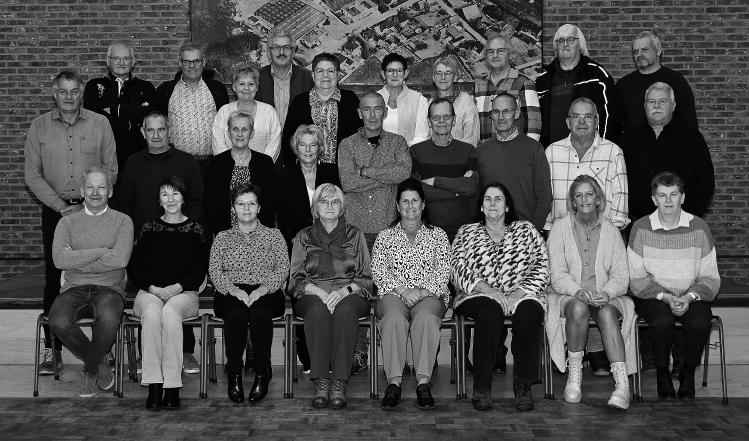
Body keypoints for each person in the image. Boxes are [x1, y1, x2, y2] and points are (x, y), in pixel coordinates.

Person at [24, 70, 117, 376]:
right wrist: (62, 208)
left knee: (100, 274)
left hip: (96, 211)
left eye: (74, 91)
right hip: (57, 211)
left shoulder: (100, 123)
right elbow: (32, 175)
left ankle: (104, 347)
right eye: (62, 91)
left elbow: (110, 168)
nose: (68, 96)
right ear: (54, 93)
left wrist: (92, 203)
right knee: (54, 278)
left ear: (81, 93)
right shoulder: (39, 127)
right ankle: (52, 350)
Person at [545, 97, 629, 373]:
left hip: (601, 236)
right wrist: (555, 231)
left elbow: (620, 200)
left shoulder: (612, 152)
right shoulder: (552, 152)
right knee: (573, 293)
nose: (582, 121)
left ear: (597, 121)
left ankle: (596, 351)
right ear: (567, 121)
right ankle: (570, 355)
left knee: (598, 289)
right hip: (563, 237)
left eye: (588, 116)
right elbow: (546, 196)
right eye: (576, 116)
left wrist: (605, 235)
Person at [452, 183, 549, 412]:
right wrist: (488, 289)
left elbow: (542, 264)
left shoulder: (526, 230)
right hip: (477, 294)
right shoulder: (466, 232)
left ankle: (524, 385)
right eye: (488, 199)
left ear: (507, 206)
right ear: (481, 206)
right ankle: (482, 387)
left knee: (529, 313)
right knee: (490, 311)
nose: (493, 203)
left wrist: (519, 292)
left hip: (522, 293)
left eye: (498, 199)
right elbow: (456, 267)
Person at [546, 175, 635, 410]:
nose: (584, 199)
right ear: (573, 201)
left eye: (589, 194)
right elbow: (556, 274)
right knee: (578, 308)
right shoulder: (559, 228)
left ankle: (622, 386)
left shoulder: (612, 231)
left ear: (598, 199)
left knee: (606, 313)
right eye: (579, 195)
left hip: (607, 296)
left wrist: (607, 293)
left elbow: (621, 275)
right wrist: (577, 291)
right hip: (568, 294)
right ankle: (574, 377)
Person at [628, 171, 720, 400]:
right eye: (662, 195)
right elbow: (636, 278)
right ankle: (662, 372)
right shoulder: (641, 228)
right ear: (654, 199)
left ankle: (687, 371)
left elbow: (710, 277)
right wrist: (666, 297)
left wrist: (689, 297)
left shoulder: (699, 228)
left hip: (691, 294)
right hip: (653, 295)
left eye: (673, 194)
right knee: (662, 321)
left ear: (683, 197)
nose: (668, 200)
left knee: (700, 322)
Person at [339, 92, 412, 373]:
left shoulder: (398, 142)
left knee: (393, 294)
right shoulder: (347, 145)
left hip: (389, 230)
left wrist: (365, 171)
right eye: (366, 109)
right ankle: (359, 353)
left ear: (385, 112)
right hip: (356, 231)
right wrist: (383, 174)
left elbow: (403, 173)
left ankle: (398, 354)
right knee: (357, 292)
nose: (372, 115)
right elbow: (347, 182)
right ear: (359, 113)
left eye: (377, 109)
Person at [48, 167, 133, 397]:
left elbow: (121, 260)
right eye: (90, 187)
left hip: (109, 288)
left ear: (110, 191)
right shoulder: (66, 223)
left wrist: (76, 258)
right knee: (57, 320)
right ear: (82, 191)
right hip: (73, 287)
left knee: (109, 318)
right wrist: (102, 251)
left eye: (101, 187)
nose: (95, 193)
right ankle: (98, 363)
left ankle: (90, 370)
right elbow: (59, 260)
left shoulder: (123, 222)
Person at [288, 184, 373, 409]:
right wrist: (320, 293)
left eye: (335, 202)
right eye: (324, 202)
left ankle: (339, 382)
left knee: (345, 310)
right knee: (317, 310)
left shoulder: (355, 235)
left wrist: (343, 292)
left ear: (342, 207)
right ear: (315, 207)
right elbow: (295, 278)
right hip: (312, 293)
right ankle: (322, 380)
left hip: (351, 293)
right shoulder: (303, 236)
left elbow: (366, 277)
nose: (329, 206)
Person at [131, 176, 210, 410]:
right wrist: (153, 288)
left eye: (175, 193)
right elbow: (136, 268)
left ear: (183, 197)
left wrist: (177, 288)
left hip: (185, 294)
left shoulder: (197, 229)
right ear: (159, 200)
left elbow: (199, 271)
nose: (171, 199)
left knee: (170, 312)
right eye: (165, 194)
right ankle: (155, 384)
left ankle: (172, 385)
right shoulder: (148, 228)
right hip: (149, 292)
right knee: (152, 313)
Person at [372, 179, 451, 410]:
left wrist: (422, 291)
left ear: (423, 204)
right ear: (397, 206)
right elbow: (378, 270)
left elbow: (443, 271)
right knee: (394, 318)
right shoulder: (385, 236)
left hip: (430, 295)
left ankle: (423, 382)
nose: (410, 206)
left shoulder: (438, 235)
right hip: (394, 294)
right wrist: (403, 291)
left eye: (414, 200)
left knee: (425, 317)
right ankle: (394, 383)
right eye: (404, 201)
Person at [208, 183, 288, 403]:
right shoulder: (222, 237)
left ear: (259, 208)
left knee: (260, 313)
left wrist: (263, 289)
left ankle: (262, 372)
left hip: (267, 290)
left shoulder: (274, 235)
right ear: (233, 208)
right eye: (241, 204)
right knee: (235, 314)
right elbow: (214, 270)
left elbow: (283, 267)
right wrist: (234, 290)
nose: (246, 209)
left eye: (251, 204)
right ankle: (234, 372)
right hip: (230, 290)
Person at [277, 123, 341, 372]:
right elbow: (282, 218)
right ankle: (309, 357)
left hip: (330, 247)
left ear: (320, 147)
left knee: (331, 297)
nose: (307, 149)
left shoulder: (331, 171)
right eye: (303, 144)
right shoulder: (285, 175)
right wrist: (300, 242)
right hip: (298, 247)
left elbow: (338, 208)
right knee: (305, 296)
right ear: (295, 147)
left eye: (313, 145)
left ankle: (332, 355)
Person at [621, 82, 714, 223]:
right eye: (651, 101)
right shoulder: (628, 139)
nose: (656, 106)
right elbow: (617, 182)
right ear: (644, 105)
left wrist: (690, 217)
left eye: (662, 101)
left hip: (682, 223)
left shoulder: (692, 138)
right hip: (637, 223)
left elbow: (706, 181)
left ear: (673, 105)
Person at [472, 93, 552, 232]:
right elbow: (475, 197)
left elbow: (544, 196)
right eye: (496, 112)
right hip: (490, 232)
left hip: (525, 231)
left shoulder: (534, 149)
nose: (500, 117)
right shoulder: (480, 152)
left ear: (517, 113)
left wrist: (532, 231)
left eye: (506, 111)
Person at [118, 111, 204, 236]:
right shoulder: (133, 163)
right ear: (143, 132)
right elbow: (125, 204)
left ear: (169, 131)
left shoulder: (187, 161)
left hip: (181, 236)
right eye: (150, 130)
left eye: (161, 130)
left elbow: (198, 202)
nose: (156, 136)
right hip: (143, 237)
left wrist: (186, 230)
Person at [536, 24, 621, 146]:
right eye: (561, 41)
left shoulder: (597, 76)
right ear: (556, 46)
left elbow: (611, 117)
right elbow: (535, 120)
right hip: (551, 153)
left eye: (570, 40)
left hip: (590, 152)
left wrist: (604, 148)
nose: (565, 44)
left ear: (580, 45)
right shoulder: (542, 80)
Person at [156, 42, 229, 176]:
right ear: (180, 63)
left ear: (204, 62)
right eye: (187, 61)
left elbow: (225, 124)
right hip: (177, 164)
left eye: (196, 61)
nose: (192, 66)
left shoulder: (217, 89)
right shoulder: (165, 90)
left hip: (211, 164)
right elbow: (159, 126)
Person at [411, 98, 479, 241]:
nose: (441, 121)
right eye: (436, 117)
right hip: (426, 232)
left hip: (463, 233)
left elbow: (470, 187)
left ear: (454, 120)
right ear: (429, 121)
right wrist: (457, 191)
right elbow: (417, 191)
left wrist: (436, 181)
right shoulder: (416, 152)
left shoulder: (468, 151)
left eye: (446, 116)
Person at [83, 41, 157, 172]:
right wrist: (130, 124)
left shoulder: (146, 87)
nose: (121, 63)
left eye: (126, 58)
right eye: (116, 58)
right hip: (102, 157)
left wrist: (114, 110)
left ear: (133, 61)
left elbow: (149, 116)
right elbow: (94, 117)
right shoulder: (93, 86)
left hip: (138, 157)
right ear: (108, 61)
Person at [280, 53, 362, 168]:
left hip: (344, 171)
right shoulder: (299, 102)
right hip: (308, 171)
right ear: (313, 75)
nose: (325, 75)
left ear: (338, 75)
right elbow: (288, 139)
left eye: (331, 71)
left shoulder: (350, 99)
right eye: (320, 71)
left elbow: (360, 135)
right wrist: (292, 170)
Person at [205, 111, 278, 234]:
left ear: (252, 133)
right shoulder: (216, 163)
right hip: (224, 233)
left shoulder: (265, 163)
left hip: (259, 234)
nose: (239, 134)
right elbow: (210, 202)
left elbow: (270, 201)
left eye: (244, 129)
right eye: (235, 129)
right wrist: (222, 233)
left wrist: (259, 232)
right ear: (229, 133)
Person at [617, 30, 698, 134]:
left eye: (645, 50)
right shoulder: (623, 85)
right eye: (636, 52)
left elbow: (689, 120)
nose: (639, 55)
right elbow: (616, 124)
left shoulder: (675, 80)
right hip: (633, 143)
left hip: (670, 143)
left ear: (658, 51)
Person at [474, 33, 541, 143]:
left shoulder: (523, 83)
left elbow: (533, 127)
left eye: (500, 51)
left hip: (514, 151)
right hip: (484, 151)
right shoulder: (478, 85)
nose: (495, 55)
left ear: (510, 54)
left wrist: (527, 152)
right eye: (490, 51)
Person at [211, 67, 281, 161]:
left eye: (251, 84)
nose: (246, 88)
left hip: (262, 167)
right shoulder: (224, 111)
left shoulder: (269, 111)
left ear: (256, 87)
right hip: (229, 166)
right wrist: (232, 164)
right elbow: (218, 143)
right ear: (234, 87)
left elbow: (275, 142)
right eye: (241, 84)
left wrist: (263, 164)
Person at [255, 28, 314, 130]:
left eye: (286, 47)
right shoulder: (256, 78)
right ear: (269, 52)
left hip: (297, 138)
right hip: (265, 138)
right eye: (276, 48)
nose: (281, 52)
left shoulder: (309, 78)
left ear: (293, 52)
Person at [377, 53, 429, 146]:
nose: (395, 75)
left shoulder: (419, 100)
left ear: (406, 73)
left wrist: (402, 151)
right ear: (383, 74)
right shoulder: (373, 99)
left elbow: (422, 136)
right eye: (390, 71)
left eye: (399, 71)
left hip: (410, 153)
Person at [430, 55, 480, 147]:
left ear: (455, 77)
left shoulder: (465, 101)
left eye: (448, 73)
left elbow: (471, 139)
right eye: (438, 73)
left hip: (460, 155)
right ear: (433, 77)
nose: (443, 77)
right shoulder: (430, 103)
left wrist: (451, 153)